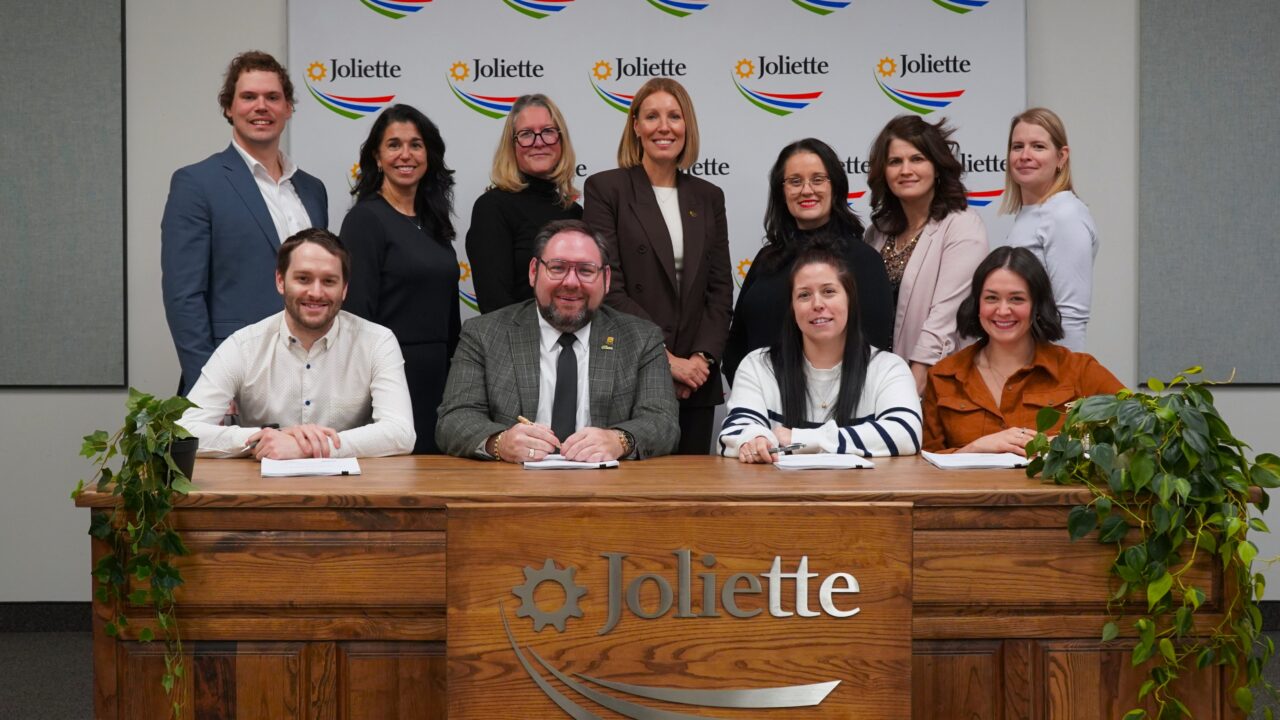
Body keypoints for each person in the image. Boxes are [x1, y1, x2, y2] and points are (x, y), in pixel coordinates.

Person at [436, 219, 679, 462]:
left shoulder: (641, 338)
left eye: (585, 270)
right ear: (534, 272)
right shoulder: (484, 334)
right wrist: (499, 442)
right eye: (558, 268)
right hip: (513, 481)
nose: (571, 282)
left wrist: (620, 440)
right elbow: (454, 420)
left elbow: (663, 422)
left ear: (606, 279)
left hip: (609, 483)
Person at [162, 50, 329, 395]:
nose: (261, 107)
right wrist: (209, 385)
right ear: (229, 107)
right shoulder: (197, 184)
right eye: (249, 97)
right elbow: (184, 296)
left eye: (272, 97)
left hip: (310, 374)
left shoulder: (313, 190)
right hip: (233, 375)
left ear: (288, 108)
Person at [582, 77, 732, 455]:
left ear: (687, 126)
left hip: (695, 382)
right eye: (652, 117)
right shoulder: (606, 190)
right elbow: (606, 287)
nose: (664, 127)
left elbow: (719, 289)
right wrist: (665, 361)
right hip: (630, 372)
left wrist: (699, 360)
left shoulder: (709, 196)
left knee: (693, 486)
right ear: (636, 126)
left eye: (674, 116)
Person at [178, 229, 415, 459]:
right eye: (303, 279)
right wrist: (265, 439)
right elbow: (183, 431)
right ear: (281, 281)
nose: (316, 292)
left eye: (329, 281)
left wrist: (311, 447)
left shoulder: (377, 342)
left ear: (344, 289)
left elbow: (401, 433)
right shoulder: (242, 347)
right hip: (258, 484)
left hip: (351, 485)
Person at [719, 244, 921, 463]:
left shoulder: (888, 368)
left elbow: (906, 433)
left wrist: (802, 439)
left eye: (829, 291)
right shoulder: (758, 365)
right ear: (792, 308)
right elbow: (735, 431)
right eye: (804, 295)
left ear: (850, 299)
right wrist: (754, 440)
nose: (817, 304)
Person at [723, 138, 894, 385]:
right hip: (758, 402)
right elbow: (736, 342)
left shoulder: (863, 261)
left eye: (817, 179)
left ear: (835, 187)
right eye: (795, 181)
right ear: (782, 192)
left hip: (834, 405)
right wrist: (752, 395)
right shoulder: (766, 258)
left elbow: (871, 352)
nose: (806, 190)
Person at [339, 104, 459, 454]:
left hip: (440, 379)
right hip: (391, 379)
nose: (405, 154)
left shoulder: (434, 222)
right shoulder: (365, 220)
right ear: (377, 158)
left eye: (415, 145)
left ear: (428, 155)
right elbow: (356, 316)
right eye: (394, 145)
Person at [922, 247, 1123, 454]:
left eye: (1016, 299)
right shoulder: (943, 377)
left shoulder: (1080, 370)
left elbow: (1136, 428)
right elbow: (924, 463)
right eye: (991, 298)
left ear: (1037, 306)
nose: (1002, 310)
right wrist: (972, 449)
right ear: (977, 305)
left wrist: (1063, 446)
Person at [864, 116, 988, 395]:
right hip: (876, 381)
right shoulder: (877, 232)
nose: (906, 170)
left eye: (917, 159)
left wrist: (911, 386)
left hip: (934, 386)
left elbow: (945, 318)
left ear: (937, 166)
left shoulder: (962, 226)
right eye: (895, 161)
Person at [466, 94, 584, 313]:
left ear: (561, 140)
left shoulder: (576, 213)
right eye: (526, 134)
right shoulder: (492, 208)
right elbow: (494, 305)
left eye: (548, 131)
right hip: (516, 334)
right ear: (511, 145)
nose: (538, 142)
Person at [998, 107, 1098, 351]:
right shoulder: (1032, 214)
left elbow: (1070, 316)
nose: (1025, 155)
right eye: (1017, 146)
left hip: (1048, 367)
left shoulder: (1064, 214)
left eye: (1038, 146)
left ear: (1061, 157)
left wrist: (1060, 373)